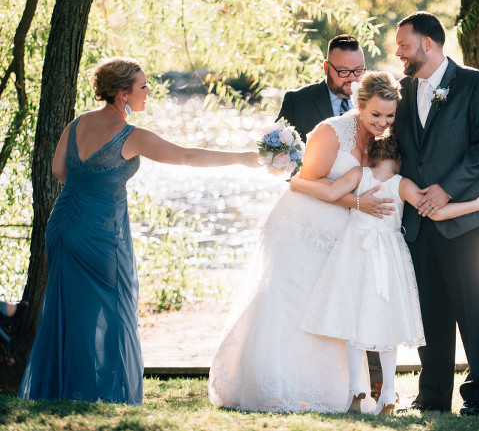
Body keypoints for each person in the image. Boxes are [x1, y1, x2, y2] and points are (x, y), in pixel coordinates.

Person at [18, 57, 261, 405]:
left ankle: (65, 390)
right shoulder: (130, 136)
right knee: (115, 310)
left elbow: (59, 170)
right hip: (101, 232)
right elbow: (188, 157)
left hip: (63, 224)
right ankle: (109, 395)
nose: (148, 92)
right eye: (142, 87)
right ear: (122, 94)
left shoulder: (75, 125)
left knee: (69, 311)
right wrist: (242, 158)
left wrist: (89, 188)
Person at [208, 71, 399, 413]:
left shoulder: (383, 139)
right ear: (359, 106)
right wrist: (357, 202)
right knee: (288, 302)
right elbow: (303, 183)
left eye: (390, 115)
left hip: (340, 235)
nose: (382, 122)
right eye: (375, 115)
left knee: (325, 308)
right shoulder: (331, 131)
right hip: (298, 228)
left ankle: (333, 389)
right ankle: (271, 383)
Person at [290, 130, 479, 415]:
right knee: (385, 322)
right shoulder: (403, 184)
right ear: (400, 161)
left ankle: (356, 389)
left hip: (354, 254)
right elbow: (435, 212)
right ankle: (387, 393)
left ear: (371, 156)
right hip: (388, 258)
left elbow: (332, 193)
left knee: (351, 319)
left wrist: (298, 182)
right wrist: (477, 204)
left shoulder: (359, 175)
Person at [393, 11, 479, 416]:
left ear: (428, 43)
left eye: (404, 45)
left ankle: (478, 397)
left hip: (470, 222)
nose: (398, 53)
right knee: (430, 315)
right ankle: (433, 395)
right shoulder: (402, 91)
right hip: (419, 222)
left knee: (477, 310)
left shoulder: (477, 85)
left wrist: (448, 189)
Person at [277, 34, 366, 142]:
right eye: (343, 71)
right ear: (326, 68)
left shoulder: (375, 100)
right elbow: (275, 149)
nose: (352, 78)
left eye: (358, 71)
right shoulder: (295, 102)